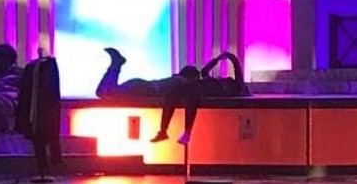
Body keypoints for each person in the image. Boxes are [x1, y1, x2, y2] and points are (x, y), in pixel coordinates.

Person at [96, 47, 245, 145]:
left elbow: (233, 74)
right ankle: (116, 64)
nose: (225, 78)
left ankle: (116, 64)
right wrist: (221, 59)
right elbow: (204, 71)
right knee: (105, 92)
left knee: (104, 92)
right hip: (146, 87)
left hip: (146, 87)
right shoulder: (196, 82)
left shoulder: (225, 87)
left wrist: (227, 58)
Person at [16, 50, 62, 176]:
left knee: (44, 136)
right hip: (37, 113)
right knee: (39, 138)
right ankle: (45, 168)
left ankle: (49, 167)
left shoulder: (42, 69)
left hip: (43, 112)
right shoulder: (33, 69)